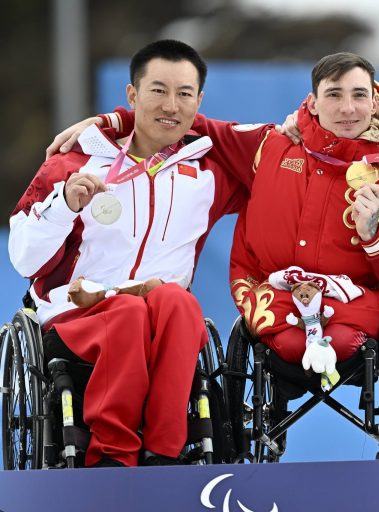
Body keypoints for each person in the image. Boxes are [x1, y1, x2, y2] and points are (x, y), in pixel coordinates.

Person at [54, 53, 379, 391]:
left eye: (358, 96)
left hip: (354, 308)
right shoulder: (268, 145)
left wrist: (376, 239)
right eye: (334, 95)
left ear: (374, 103)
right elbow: (186, 121)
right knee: (288, 344)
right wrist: (114, 120)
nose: (347, 108)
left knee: (334, 340)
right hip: (272, 301)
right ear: (312, 102)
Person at [8, 40, 255, 467]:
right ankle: (112, 456)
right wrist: (64, 205)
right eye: (158, 90)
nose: (171, 105)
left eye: (184, 93)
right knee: (128, 312)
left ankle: (164, 453)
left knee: (180, 304)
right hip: (78, 315)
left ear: (199, 102)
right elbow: (25, 259)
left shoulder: (210, 171)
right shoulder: (75, 163)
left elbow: (290, 157)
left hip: (162, 315)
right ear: (132, 94)